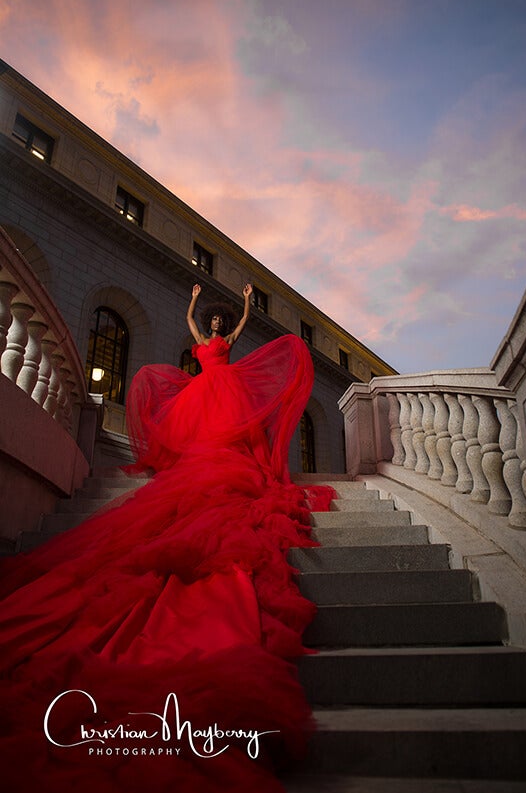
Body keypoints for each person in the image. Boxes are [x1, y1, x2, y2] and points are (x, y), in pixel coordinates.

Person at [0, 283, 334, 793]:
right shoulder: (201, 334)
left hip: (223, 386)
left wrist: (246, 301)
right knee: (200, 435)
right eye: (215, 325)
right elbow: (190, 322)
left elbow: (243, 327)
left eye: (220, 325)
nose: (217, 330)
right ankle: (200, 465)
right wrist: (195, 298)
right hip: (204, 389)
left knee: (228, 437)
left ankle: (225, 466)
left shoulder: (231, 337)